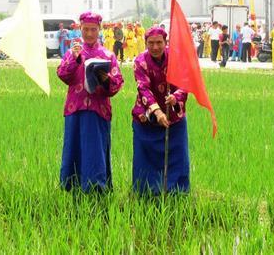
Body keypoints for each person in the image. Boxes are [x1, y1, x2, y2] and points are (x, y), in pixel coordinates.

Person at [57, 12, 124, 192]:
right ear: (80, 29)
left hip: (98, 109)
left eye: (93, 29)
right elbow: (62, 74)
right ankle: (71, 186)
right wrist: (75, 59)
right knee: (73, 147)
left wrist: (104, 78)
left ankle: (96, 187)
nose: (89, 34)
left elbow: (116, 85)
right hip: (75, 108)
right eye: (85, 29)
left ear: (99, 30)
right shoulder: (73, 52)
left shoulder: (107, 55)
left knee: (96, 150)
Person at [131, 27, 189, 195]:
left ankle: (176, 193)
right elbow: (143, 88)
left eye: (159, 43)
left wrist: (175, 97)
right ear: (145, 43)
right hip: (147, 115)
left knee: (177, 156)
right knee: (145, 158)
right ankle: (146, 193)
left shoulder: (176, 59)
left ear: (165, 42)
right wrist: (157, 112)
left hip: (173, 115)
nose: (155, 47)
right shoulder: (140, 61)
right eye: (151, 43)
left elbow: (185, 83)